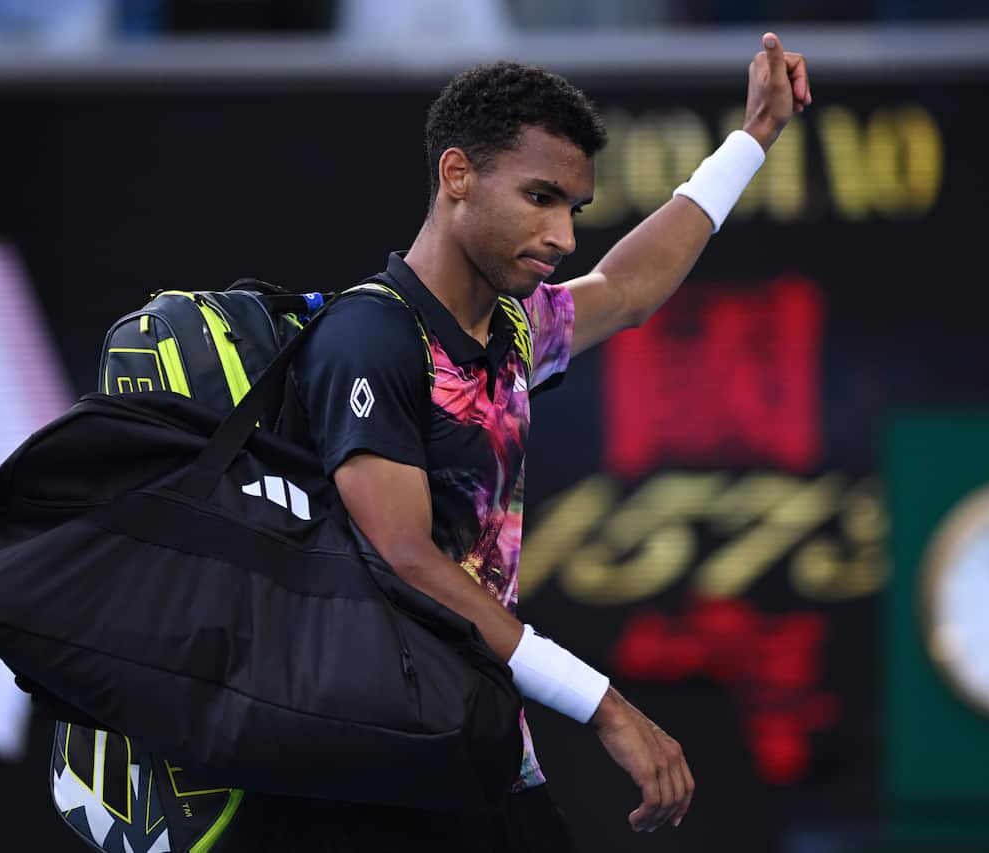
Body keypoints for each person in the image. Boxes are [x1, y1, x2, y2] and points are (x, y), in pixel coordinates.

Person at [280, 31, 811, 851]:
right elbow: (405, 557)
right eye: (540, 198)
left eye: (574, 209)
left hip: (477, 743)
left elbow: (630, 287)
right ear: (457, 177)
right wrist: (602, 702)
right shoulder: (369, 336)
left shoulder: (515, 332)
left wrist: (753, 139)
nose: (564, 234)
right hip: (373, 760)